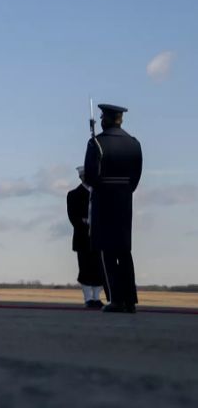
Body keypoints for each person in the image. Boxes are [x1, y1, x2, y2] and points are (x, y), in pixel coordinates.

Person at [83, 103, 142, 314]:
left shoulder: (96, 143)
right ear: (121, 119)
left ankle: (116, 299)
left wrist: (101, 187)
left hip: (104, 199)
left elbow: (90, 176)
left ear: (106, 119)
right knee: (124, 252)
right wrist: (124, 191)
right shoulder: (134, 144)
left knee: (107, 252)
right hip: (125, 200)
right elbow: (135, 178)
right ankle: (130, 300)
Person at [67, 166, 108, 308]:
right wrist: (88, 222)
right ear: (81, 177)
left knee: (99, 269)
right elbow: (74, 218)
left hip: (99, 237)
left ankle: (96, 298)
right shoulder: (73, 195)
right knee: (85, 269)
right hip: (83, 238)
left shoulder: (101, 194)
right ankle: (88, 298)